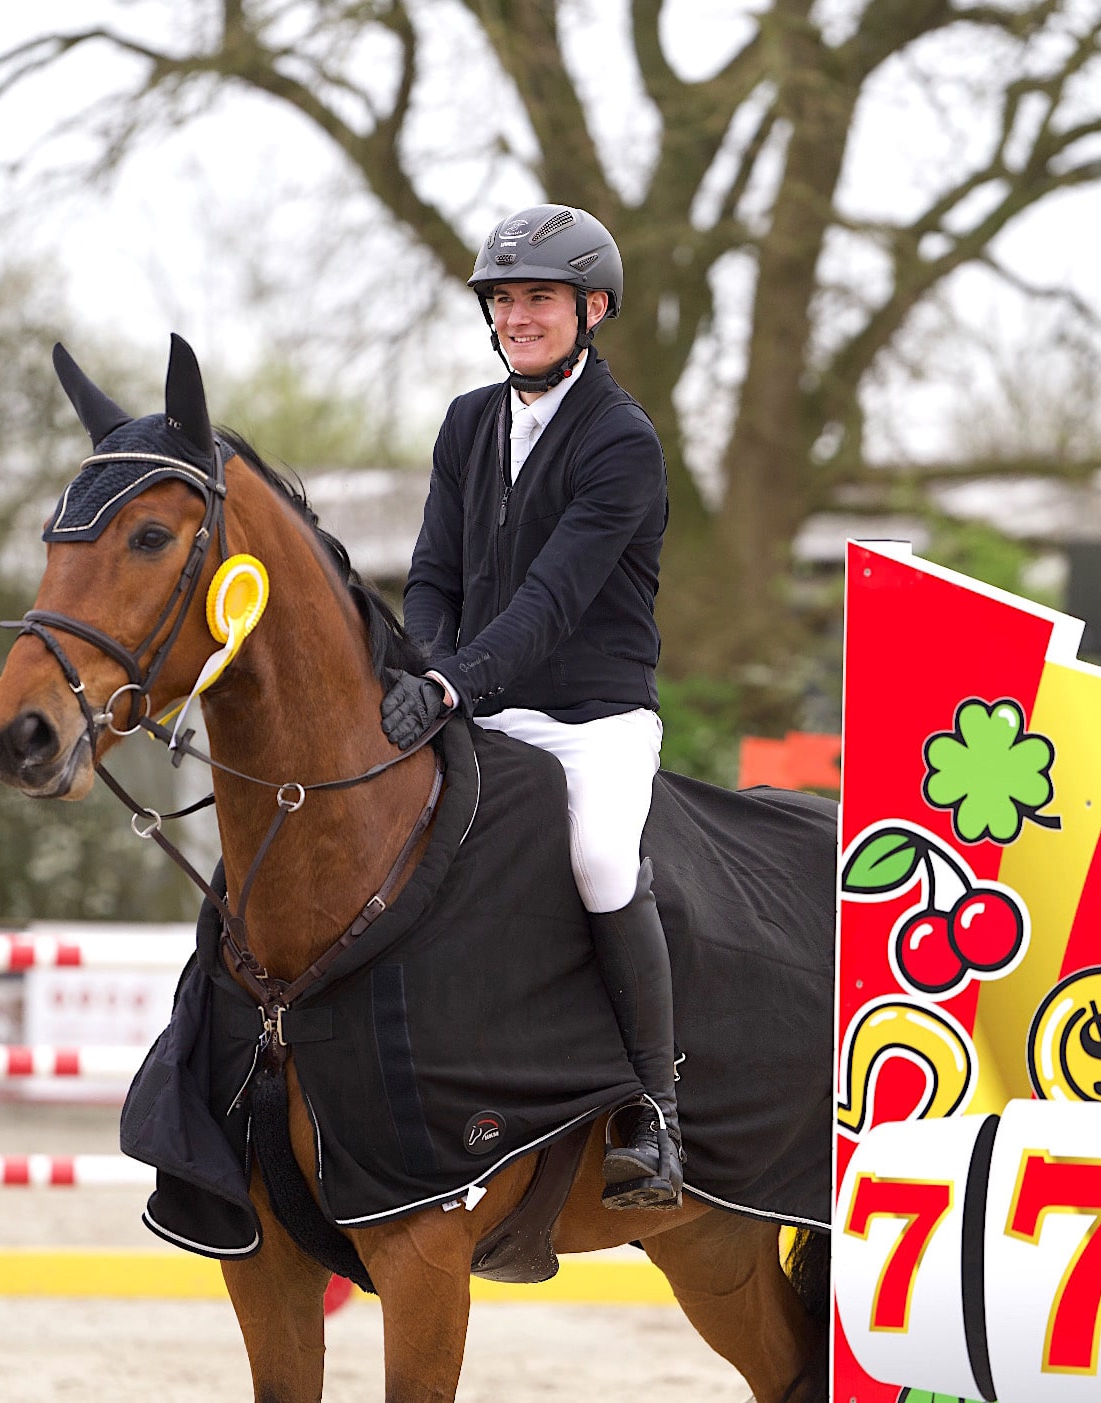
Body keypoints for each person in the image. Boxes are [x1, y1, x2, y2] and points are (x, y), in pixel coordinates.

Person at [381, 204, 681, 1210]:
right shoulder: (468, 421)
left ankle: (653, 1107)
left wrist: (452, 682)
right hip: (473, 701)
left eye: (538, 297)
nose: (517, 315)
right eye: (502, 299)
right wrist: (425, 666)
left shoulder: (619, 441)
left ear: (591, 307)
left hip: (591, 716)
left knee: (599, 858)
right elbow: (431, 572)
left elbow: (551, 601)